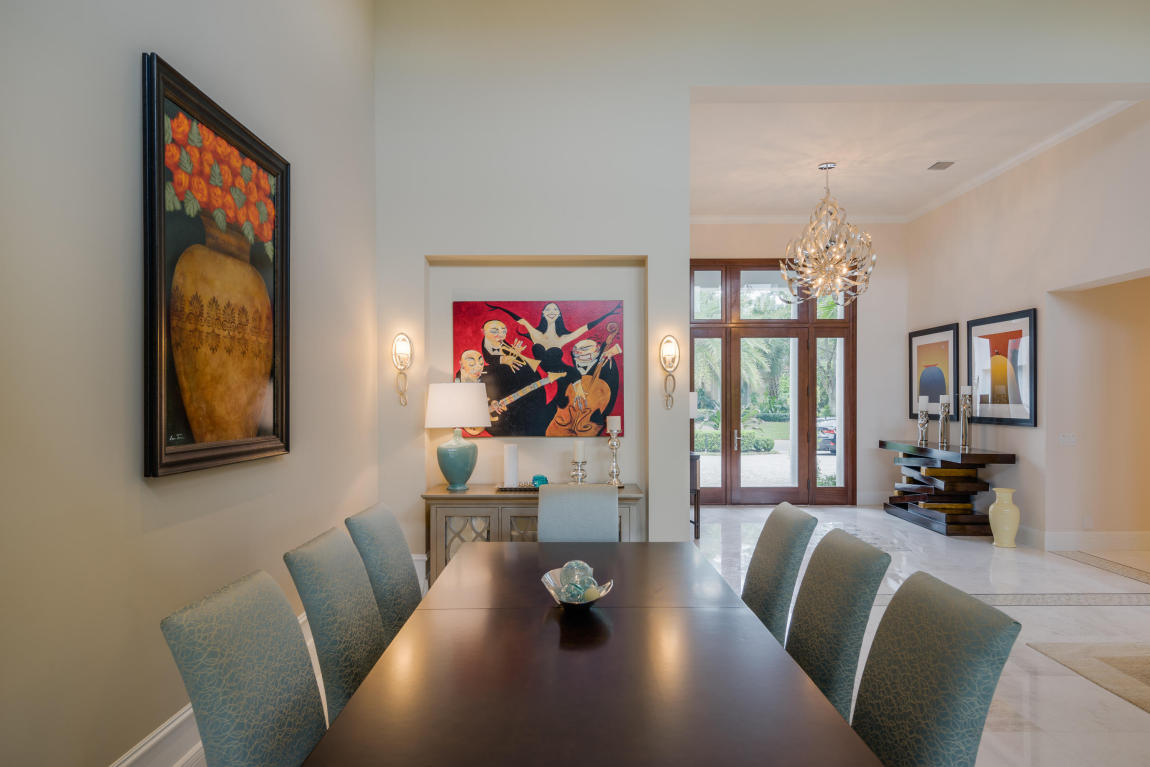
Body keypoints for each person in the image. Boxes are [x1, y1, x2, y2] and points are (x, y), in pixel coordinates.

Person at [485, 300, 621, 356]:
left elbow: (585, 328)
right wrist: (499, 307)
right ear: (543, 313)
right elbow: (521, 320)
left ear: (559, 314)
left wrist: (609, 313)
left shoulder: (564, 338)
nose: (551, 311)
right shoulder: (535, 333)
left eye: (555, 309)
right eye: (548, 309)